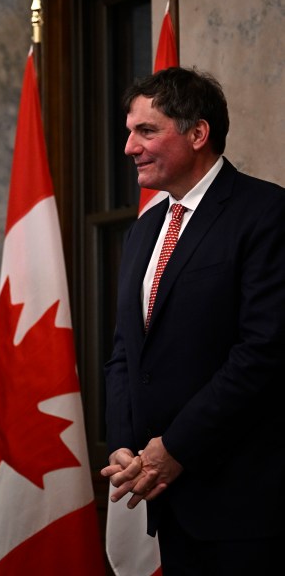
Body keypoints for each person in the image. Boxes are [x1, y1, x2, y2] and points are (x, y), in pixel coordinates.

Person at [102, 67, 285, 575]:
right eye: (128, 131)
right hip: (168, 500)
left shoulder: (265, 212)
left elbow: (264, 351)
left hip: (246, 505)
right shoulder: (143, 232)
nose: (129, 147)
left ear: (197, 133)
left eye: (146, 131)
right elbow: (124, 353)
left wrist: (176, 447)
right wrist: (124, 442)